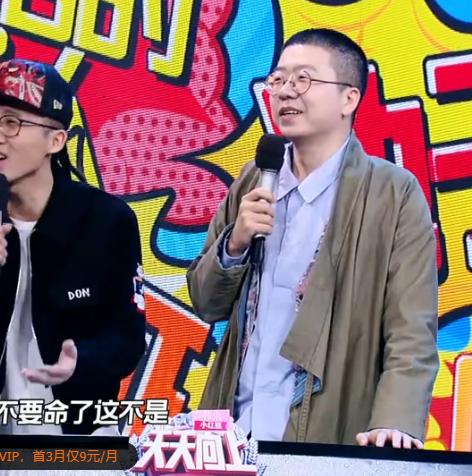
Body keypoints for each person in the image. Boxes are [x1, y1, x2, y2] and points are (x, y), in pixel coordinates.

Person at [186, 29, 439, 448]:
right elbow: (205, 302)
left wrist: (395, 421)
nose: (286, 91)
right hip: (234, 435)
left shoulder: (393, 193)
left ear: (349, 99)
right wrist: (235, 244)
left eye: (303, 79)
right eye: (279, 79)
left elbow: (411, 327)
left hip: (322, 434)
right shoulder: (254, 179)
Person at [0, 59, 147, 436]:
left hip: (83, 435)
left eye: (11, 122)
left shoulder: (105, 221)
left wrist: (80, 363)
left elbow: (128, 338)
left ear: (56, 140)